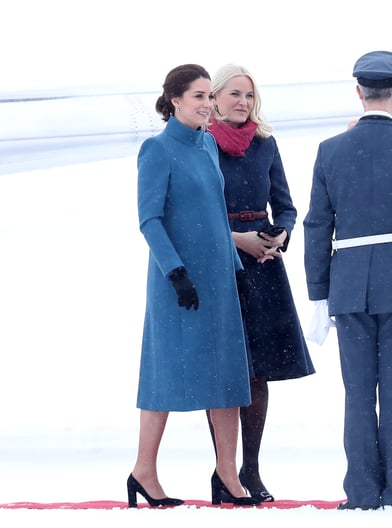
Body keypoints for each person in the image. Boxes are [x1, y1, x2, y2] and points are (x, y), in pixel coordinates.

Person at [303, 50, 392, 511]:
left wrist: (319, 293)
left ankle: (363, 492)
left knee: (358, 393)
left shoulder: (330, 151)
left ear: (359, 92)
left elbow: (316, 226)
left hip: (349, 286)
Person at [130, 63, 258, 508]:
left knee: (228, 377)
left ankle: (227, 473)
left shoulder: (206, 145)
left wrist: (235, 272)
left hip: (219, 279)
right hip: (176, 282)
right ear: (175, 100)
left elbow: (213, 216)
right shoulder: (157, 150)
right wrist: (176, 273)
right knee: (164, 373)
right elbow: (150, 219)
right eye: (199, 96)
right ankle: (143, 471)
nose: (208, 104)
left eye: (209, 96)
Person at [206, 63, 316, 503]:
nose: (242, 102)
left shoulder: (266, 144)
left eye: (248, 95)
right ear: (213, 98)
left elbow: (286, 205)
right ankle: (224, 471)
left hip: (265, 263)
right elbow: (195, 213)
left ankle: (250, 470)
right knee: (224, 371)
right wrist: (239, 240)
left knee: (258, 373)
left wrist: (281, 234)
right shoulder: (201, 145)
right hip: (219, 260)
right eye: (234, 94)